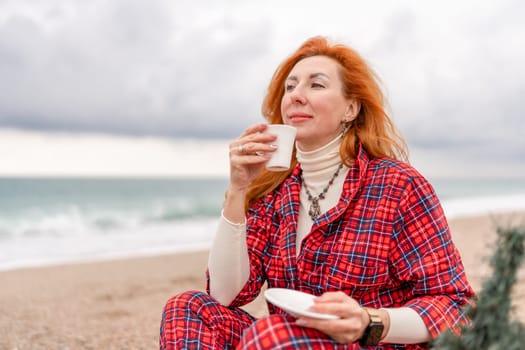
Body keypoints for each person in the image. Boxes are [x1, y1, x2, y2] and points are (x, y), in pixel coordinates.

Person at [159, 36, 474, 349]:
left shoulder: (398, 185)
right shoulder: (274, 192)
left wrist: (370, 322)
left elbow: (457, 306)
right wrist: (238, 190)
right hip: (282, 341)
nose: (296, 95)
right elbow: (226, 294)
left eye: (316, 85)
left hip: (371, 344)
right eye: (290, 87)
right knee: (187, 308)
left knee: (270, 335)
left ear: (350, 108)